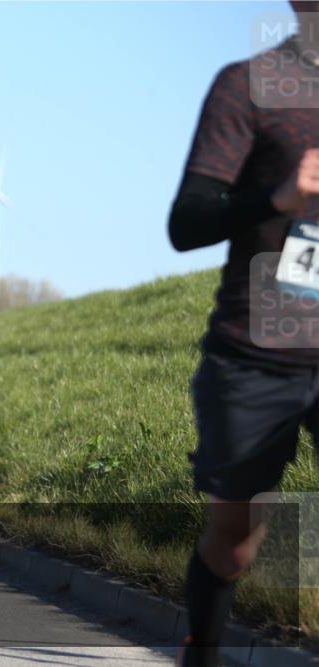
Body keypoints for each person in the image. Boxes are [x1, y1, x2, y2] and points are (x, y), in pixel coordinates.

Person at [168, 4, 319, 665]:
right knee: (235, 541)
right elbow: (188, 223)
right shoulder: (248, 85)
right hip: (256, 353)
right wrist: (279, 197)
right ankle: (200, 648)